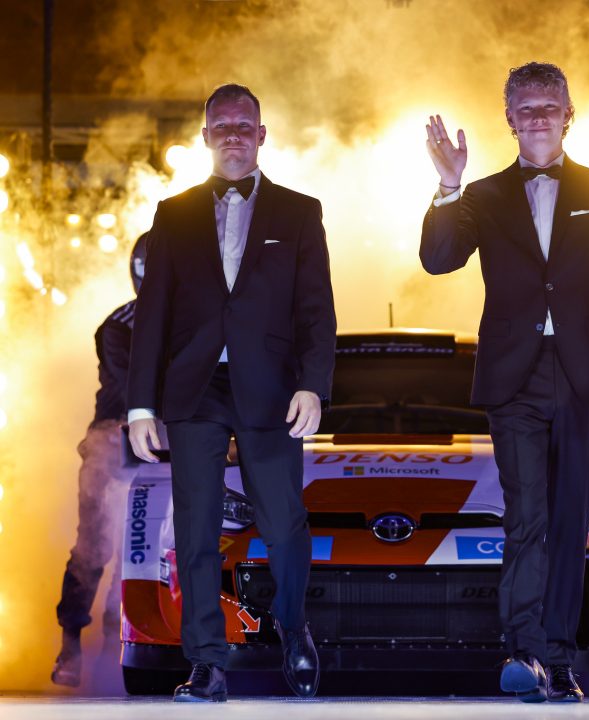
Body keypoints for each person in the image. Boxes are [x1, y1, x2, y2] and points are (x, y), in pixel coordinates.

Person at [420, 61, 589, 703]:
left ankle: (558, 659)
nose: (536, 118)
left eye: (547, 107)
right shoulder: (483, 194)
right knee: (526, 516)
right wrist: (448, 186)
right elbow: (439, 259)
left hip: (585, 376)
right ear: (508, 118)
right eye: (524, 108)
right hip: (514, 377)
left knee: (568, 519)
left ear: (568, 115)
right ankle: (525, 653)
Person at [126, 84, 336, 703]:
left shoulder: (299, 212)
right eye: (222, 126)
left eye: (245, 126)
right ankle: (206, 664)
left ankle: (293, 628)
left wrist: (313, 386)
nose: (234, 135)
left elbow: (316, 310)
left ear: (262, 135)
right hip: (195, 389)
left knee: (284, 523)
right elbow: (152, 314)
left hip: (271, 388)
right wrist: (140, 405)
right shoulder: (173, 213)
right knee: (194, 530)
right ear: (206, 137)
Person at [51, 233, 147, 688]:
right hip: (115, 441)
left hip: (157, 447)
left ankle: (116, 650)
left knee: (138, 549)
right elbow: (132, 389)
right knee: (95, 545)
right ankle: (70, 645)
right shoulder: (120, 325)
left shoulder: (188, 322)